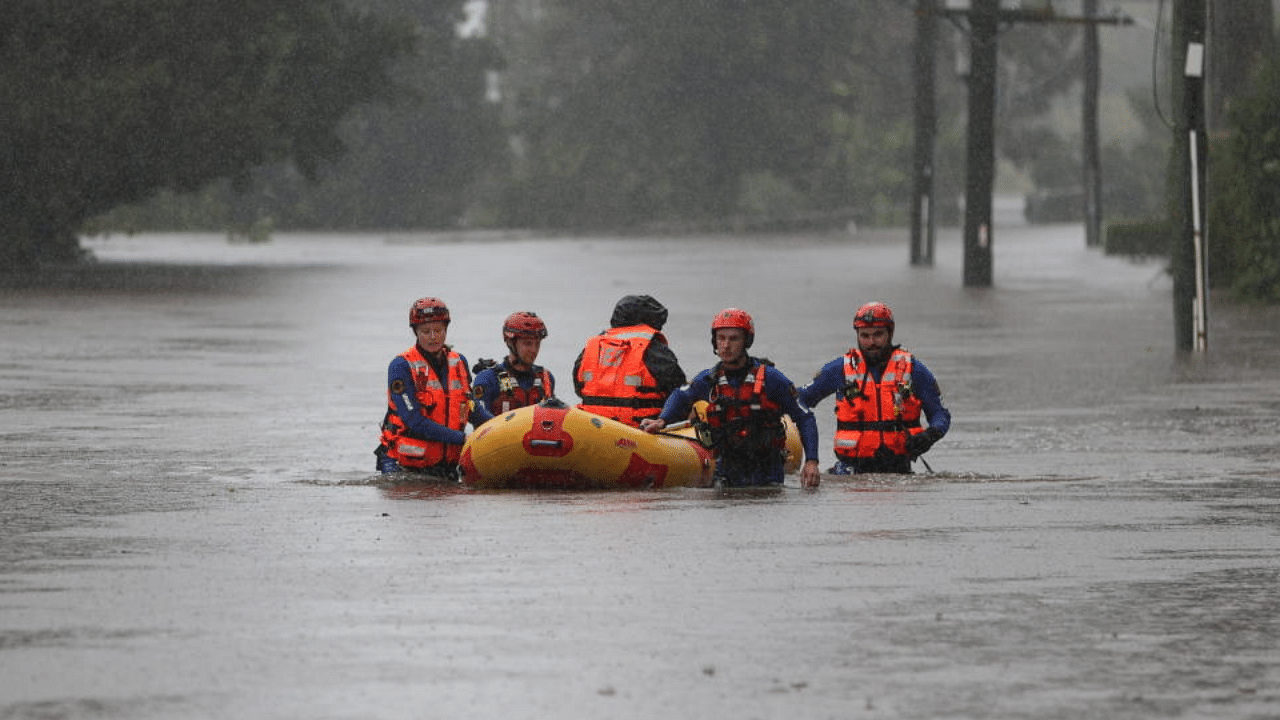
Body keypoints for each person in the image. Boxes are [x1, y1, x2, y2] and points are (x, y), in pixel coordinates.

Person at [641, 308, 822, 489]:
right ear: (714, 341)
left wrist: (812, 461)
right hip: (726, 471)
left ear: (746, 341)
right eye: (721, 338)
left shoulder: (772, 379)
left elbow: (805, 417)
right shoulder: (708, 380)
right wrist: (662, 420)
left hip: (767, 474)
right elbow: (680, 395)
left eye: (733, 338)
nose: (726, 345)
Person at [799, 301, 951, 474]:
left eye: (878, 335)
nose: (871, 342)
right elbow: (799, 400)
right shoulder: (839, 369)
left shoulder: (913, 369)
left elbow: (940, 413)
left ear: (890, 333)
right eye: (865, 336)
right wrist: (811, 458)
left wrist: (929, 436)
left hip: (899, 470)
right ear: (857, 335)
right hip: (850, 473)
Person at [375, 297, 493, 478]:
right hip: (402, 465)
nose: (433, 337)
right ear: (415, 332)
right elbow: (414, 420)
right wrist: (463, 439)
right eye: (425, 331)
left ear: (446, 330)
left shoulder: (459, 362)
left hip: (447, 465)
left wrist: (501, 426)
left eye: (438, 330)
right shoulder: (401, 365)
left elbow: (471, 408)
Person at [573, 294, 686, 427]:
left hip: (592, 427)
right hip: (640, 430)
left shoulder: (591, 347)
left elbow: (579, 387)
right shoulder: (653, 348)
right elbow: (677, 390)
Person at [472, 311, 556, 414]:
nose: (534, 350)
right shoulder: (488, 379)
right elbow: (480, 423)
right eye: (527, 343)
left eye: (537, 344)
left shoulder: (546, 379)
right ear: (511, 343)